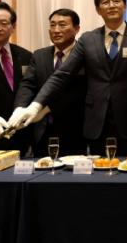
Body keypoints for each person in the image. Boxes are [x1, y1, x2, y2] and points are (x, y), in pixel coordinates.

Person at [8, 0, 127, 156]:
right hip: (96, 122)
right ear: (98, 10)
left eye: (116, 1)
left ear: (125, 5)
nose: (111, 5)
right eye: (105, 2)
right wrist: (35, 106)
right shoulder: (88, 39)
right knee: (98, 169)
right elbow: (62, 74)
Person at [14, 9, 87, 156]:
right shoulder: (39, 55)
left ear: (77, 29)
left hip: (75, 130)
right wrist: (19, 109)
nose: (56, 30)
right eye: (52, 25)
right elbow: (27, 85)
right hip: (42, 131)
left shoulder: (85, 55)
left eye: (62, 25)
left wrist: (46, 109)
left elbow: (80, 90)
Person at [0, 2, 32, 154]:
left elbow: (31, 89)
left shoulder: (26, 56)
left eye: (3, 23)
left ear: (13, 27)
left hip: (22, 136)